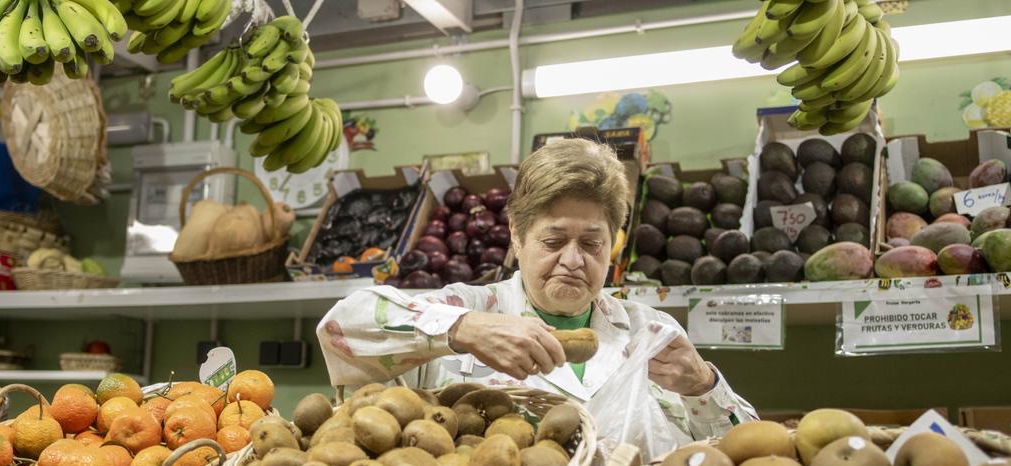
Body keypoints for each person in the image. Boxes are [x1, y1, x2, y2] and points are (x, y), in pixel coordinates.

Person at [316, 138, 757, 449]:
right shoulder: (467, 308)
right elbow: (342, 324)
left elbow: (748, 452)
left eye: (591, 243)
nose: (572, 260)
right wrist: (461, 330)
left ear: (613, 243)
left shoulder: (652, 332)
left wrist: (703, 385)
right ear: (516, 237)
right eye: (553, 242)